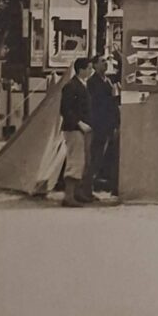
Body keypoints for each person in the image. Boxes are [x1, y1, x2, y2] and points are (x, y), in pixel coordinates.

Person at [59, 57, 94, 207]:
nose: (91, 71)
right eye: (89, 68)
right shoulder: (71, 86)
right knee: (75, 161)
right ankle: (68, 196)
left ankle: (77, 193)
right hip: (74, 129)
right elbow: (65, 110)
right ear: (81, 69)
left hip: (82, 128)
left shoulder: (82, 85)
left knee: (82, 161)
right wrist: (79, 123)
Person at [85, 54, 120, 199]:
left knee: (109, 157)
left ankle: (111, 187)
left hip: (110, 124)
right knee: (96, 157)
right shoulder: (93, 82)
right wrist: (112, 96)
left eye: (106, 61)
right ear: (94, 65)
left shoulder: (108, 81)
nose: (105, 64)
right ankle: (86, 189)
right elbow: (99, 103)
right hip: (100, 124)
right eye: (102, 62)